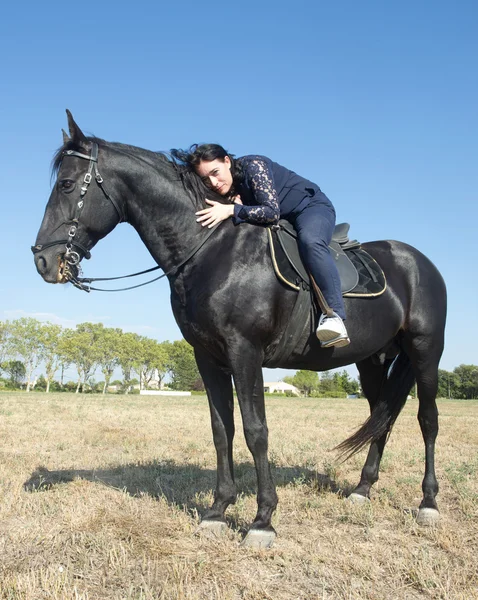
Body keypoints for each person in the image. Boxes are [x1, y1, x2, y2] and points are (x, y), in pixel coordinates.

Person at [171, 144, 350, 348]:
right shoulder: (230, 186)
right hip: (284, 218)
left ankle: (335, 315)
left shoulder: (254, 165)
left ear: (227, 161)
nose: (213, 182)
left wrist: (232, 209)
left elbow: (271, 212)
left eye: (215, 172)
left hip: (310, 208)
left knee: (311, 242)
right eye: (206, 179)